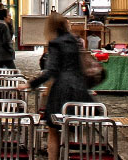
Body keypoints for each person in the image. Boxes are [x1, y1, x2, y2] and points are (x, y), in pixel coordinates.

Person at [23, 12, 91, 160]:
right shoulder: (74, 41)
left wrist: (30, 84)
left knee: (53, 130)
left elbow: (50, 72)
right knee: (79, 126)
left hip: (61, 90)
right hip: (79, 88)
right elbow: (80, 66)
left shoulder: (55, 43)